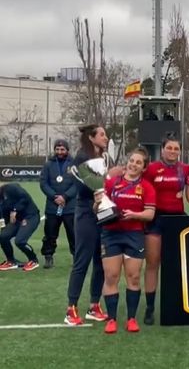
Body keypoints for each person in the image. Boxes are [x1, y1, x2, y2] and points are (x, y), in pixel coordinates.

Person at [65, 124, 122, 326]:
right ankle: (71, 308)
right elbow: (85, 187)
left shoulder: (105, 157)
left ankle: (94, 304)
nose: (105, 138)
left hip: (103, 212)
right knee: (82, 260)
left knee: (101, 261)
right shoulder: (81, 157)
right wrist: (109, 176)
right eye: (102, 135)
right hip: (87, 213)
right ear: (91, 138)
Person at [98, 147, 156, 333]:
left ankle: (131, 318)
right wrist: (98, 202)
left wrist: (135, 215)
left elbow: (150, 214)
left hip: (134, 235)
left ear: (143, 167)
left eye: (139, 162)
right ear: (127, 162)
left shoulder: (146, 187)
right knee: (111, 276)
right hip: (111, 234)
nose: (134, 164)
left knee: (134, 276)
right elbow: (98, 208)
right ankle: (112, 319)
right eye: (132, 160)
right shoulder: (112, 183)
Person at [141, 134, 189, 325]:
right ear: (162, 149)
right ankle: (150, 308)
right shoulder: (151, 169)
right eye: (169, 148)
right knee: (153, 263)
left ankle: (177, 304)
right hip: (156, 219)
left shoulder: (185, 169)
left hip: (178, 219)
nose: (173, 151)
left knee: (179, 265)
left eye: (176, 149)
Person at [39, 138, 77, 268]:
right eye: (57, 149)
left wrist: (65, 197)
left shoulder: (74, 164)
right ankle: (48, 257)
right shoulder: (48, 164)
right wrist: (54, 196)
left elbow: (77, 183)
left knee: (73, 234)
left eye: (62, 149)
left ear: (67, 150)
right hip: (52, 206)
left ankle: (76, 257)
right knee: (50, 234)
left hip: (70, 206)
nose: (59, 151)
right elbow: (43, 183)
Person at [0, 183, 41, 271]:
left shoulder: (11, 188)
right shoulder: (1, 199)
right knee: (3, 236)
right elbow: (4, 213)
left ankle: (33, 260)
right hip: (17, 220)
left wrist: (15, 210)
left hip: (30, 216)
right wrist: (5, 226)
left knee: (20, 241)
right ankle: (11, 261)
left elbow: (24, 198)